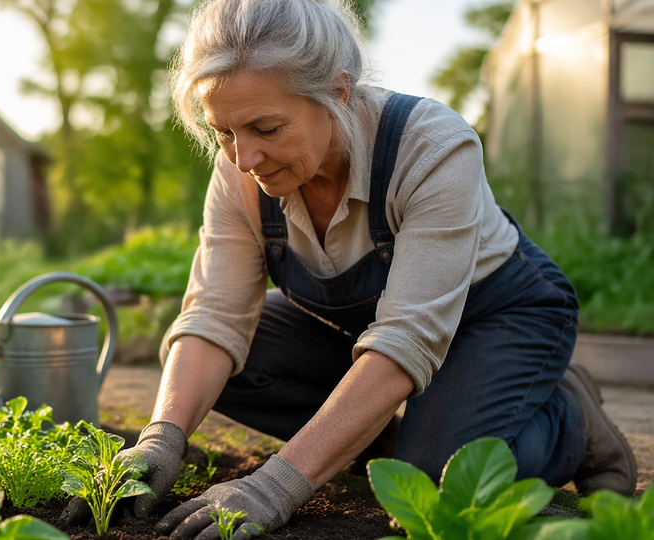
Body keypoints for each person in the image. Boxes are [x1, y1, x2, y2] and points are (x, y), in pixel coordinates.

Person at [62, 0, 638, 538]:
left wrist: (275, 487)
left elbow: (407, 336)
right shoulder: (239, 169)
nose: (243, 158)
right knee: (220, 363)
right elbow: (214, 315)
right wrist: (161, 440)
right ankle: (397, 433)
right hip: (371, 330)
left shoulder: (433, 146)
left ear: (338, 90)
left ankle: (569, 420)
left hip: (499, 313)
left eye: (266, 128)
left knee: (433, 483)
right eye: (223, 131)